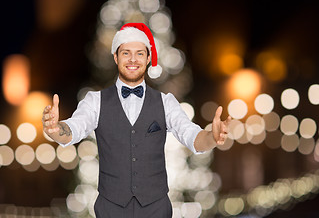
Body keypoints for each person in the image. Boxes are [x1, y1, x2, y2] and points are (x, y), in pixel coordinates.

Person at [42, 23, 231, 218]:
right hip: (110, 209)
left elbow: (192, 137)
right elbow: (73, 130)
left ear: (148, 58)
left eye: (140, 53)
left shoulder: (166, 102)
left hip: (156, 209)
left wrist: (212, 136)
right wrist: (55, 129)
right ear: (115, 57)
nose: (133, 59)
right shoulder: (94, 101)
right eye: (126, 53)